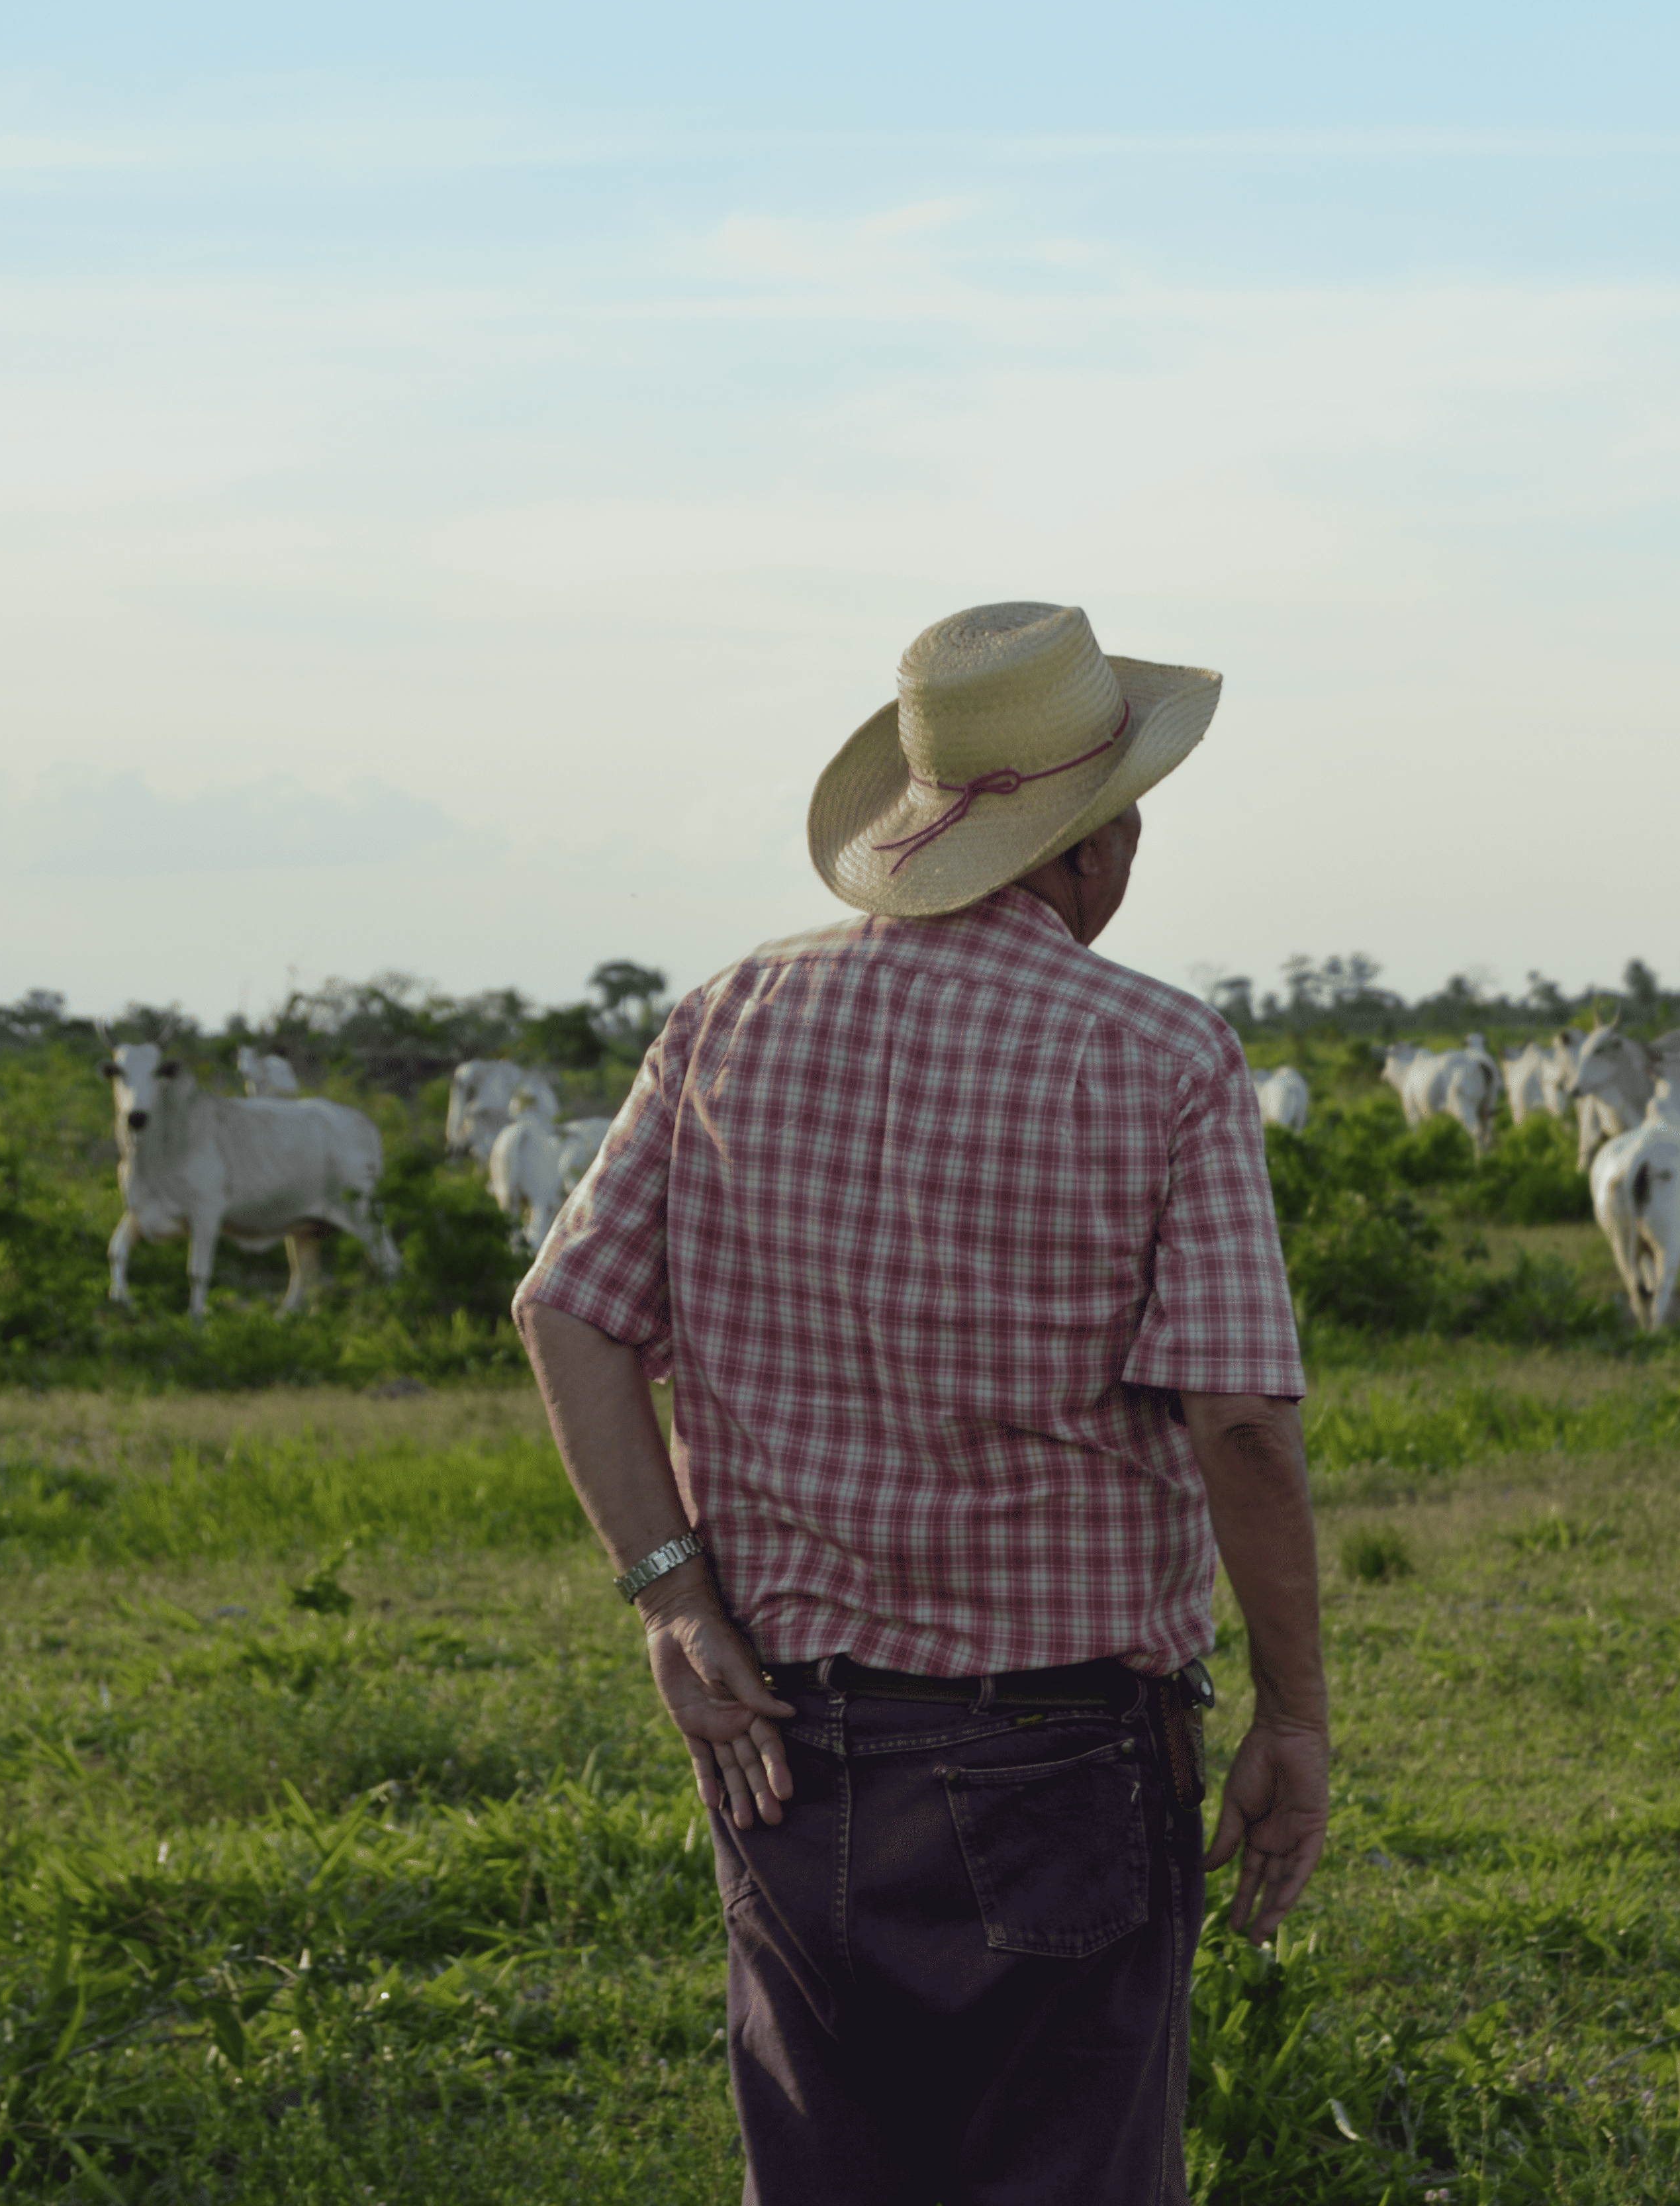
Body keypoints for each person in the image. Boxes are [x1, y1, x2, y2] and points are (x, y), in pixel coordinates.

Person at [515, 600, 1325, 2205]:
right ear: (1098, 842)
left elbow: (566, 1311)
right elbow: (1240, 1423)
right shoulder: (1162, 1052)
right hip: (1063, 1753)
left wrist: (674, 1602)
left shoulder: (729, 1016)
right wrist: (1294, 1718)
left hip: (783, 1742)